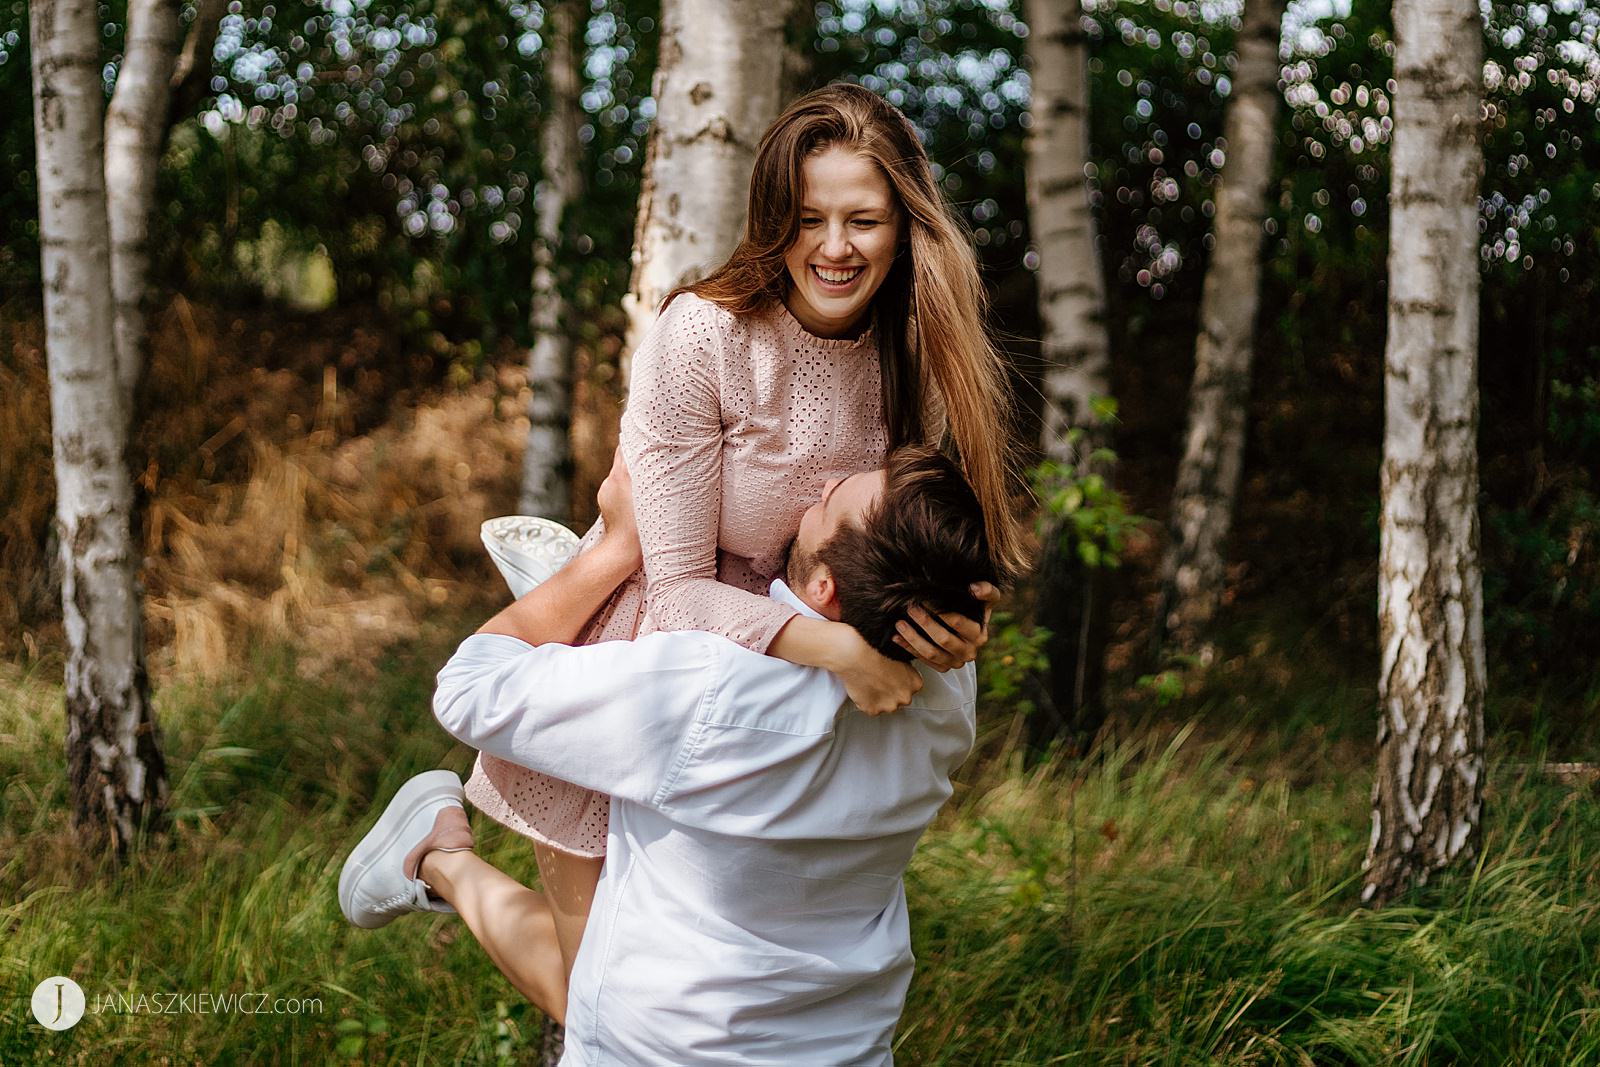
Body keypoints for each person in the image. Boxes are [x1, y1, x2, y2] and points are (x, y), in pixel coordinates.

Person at [465, 81, 1029, 980]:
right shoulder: (706, 337)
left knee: (702, 985)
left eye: (865, 220)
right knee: (589, 987)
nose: (836, 248)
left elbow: (903, 540)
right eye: (809, 219)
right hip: (652, 670)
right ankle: (436, 855)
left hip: (778, 709)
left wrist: (951, 624)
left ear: (905, 224)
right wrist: (843, 653)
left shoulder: (912, 349)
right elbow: (681, 589)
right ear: (775, 218)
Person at [338, 442, 1005, 1064]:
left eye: (830, 500)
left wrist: (615, 553)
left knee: (585, 989)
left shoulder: (713, 688)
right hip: (842, 1044)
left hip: (651, 1044)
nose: (824, 482)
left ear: (826, 588)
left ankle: (566, 637)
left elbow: (466, 687)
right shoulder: (944, 702)